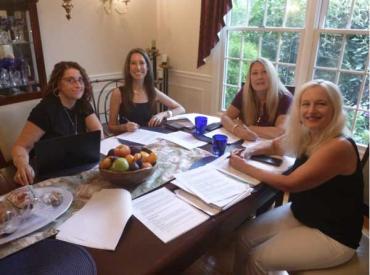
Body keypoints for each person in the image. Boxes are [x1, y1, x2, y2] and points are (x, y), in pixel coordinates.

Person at [229, 80, 363, 274]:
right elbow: (275, 145)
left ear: (335, 108)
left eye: (321, 104)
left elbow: (290, 184)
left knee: (257, 259)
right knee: (242, 238)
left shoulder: (338, 146)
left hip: (333, 234)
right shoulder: (309, 132)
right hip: (303, 213)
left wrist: (244, 166)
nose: (311, 110)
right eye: (305, 104)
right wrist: (249, 152)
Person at [12, 61, 103, 186]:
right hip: (50, 172)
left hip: (77, 165)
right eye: (70, 80)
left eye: (80, 80)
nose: (78, 85)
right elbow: (21, 147)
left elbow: (98, 135)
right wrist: (23, 165)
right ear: (58, 85)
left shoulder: (82, 104)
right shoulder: (45, 110)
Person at [108, 48, 185, 134]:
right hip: (127, 143)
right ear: (128, 68)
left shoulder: (153, 91)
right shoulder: (118, 93)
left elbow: (181, 109)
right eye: (133, 63)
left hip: (151, 140)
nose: (138, 67)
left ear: (147, 67)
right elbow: (111, 127)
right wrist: (124, 127)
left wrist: (162, 114)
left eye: (141, 63)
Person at [221, 57, 292, 141]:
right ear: (250, 78)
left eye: (264, 72)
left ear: (272, 76)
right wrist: (237, 130)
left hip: (271, 148)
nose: (259, 77)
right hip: (245, 143)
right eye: (254, 73)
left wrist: (246, 127)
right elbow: (225, 117)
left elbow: (280, 132)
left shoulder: (285, 98)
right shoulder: (245, 91)